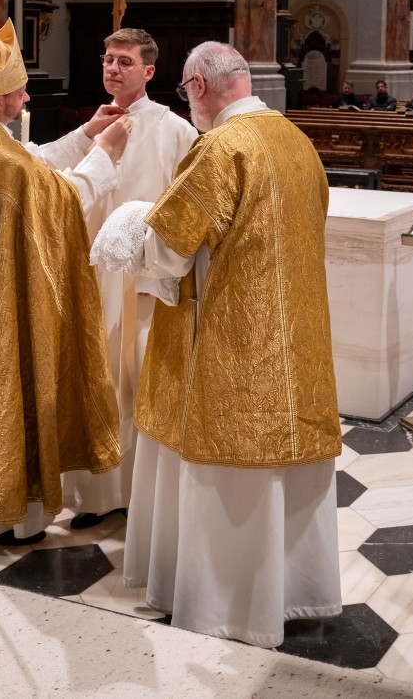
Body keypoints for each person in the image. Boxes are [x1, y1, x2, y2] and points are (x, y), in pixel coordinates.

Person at [91, 41, 342, 648]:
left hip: (229, 347)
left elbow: (171, 247)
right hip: (298, 345)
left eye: (186, 91)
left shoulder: (223, 146)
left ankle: (224, 603)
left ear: (198, 86)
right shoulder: (297, 142)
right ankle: (293, 589)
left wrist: (129, 225)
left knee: (221, 462)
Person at [0, 19, 131, 547]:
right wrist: (104, 153)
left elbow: (33, 165)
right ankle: (8, 516)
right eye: (18, 91)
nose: (26, 95)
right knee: (9, 391)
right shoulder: (2, 160)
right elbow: (60, 198)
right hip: (4, 306)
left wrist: (83, 136)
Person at [58, 28, 198, 529]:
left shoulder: (175, 129)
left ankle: (144, 495)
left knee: (139, 383)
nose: (113, 69)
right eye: (107, 59)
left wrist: (160, 269)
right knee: (97, 380)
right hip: (93, 277)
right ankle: (97, 496)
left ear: (149, 71)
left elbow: (186, 206)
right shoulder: (93, 126)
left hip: (145, 281)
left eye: (124, 61)